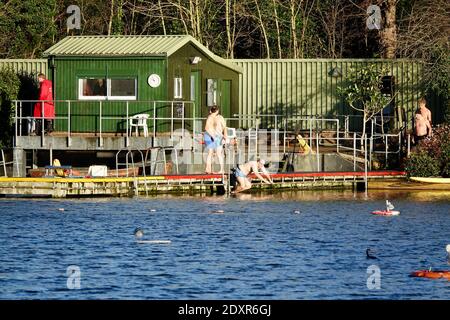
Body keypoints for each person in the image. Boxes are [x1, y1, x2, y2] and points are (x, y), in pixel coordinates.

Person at [204, 105, 227, 174]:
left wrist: (225, 135)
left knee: (215, 153)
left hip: (215, 136)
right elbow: (206, 128)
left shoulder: (218, 117)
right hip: (211, 136)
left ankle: (218, 169)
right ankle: (209, 169)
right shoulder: (211, 117)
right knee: (213, 153)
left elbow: (225, 127)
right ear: (217, 111)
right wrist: (213, 136)